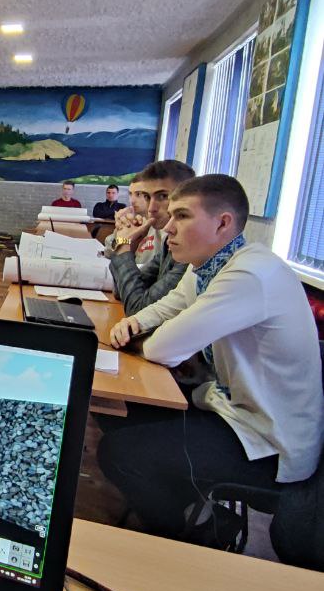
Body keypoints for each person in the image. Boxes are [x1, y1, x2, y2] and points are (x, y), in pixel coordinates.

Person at [98, 175, 324, 542]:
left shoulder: (250, 275)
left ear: (223, 223)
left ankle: (202, 532)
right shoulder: (210, 263)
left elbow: (162, 349)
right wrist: (134, 323)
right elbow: (171, 304)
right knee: (118, 409)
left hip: (267, 441)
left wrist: (138, 341)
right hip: (229, 408)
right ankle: (190, 503)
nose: (168, 228)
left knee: (118, 453)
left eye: (182, 216)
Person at [108, 159, 194, 315]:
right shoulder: (169, 243)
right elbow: (121, 292)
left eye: (162, 196)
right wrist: (130, 246)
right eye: (147, 197)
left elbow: (138, 309)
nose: (151, 209)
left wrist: (123, 247)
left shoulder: (191, 250)